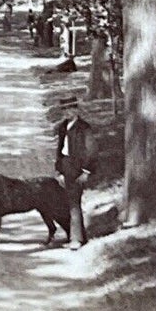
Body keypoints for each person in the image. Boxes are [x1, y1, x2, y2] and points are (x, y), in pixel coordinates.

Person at [54, 93, 97, 249]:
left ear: (76, 110)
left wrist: (86, 171)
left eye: (70, 109)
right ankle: (76, 235)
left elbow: (91, 151)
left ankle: (76, 239)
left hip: (77, 168)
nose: (67, 113)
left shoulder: (84, 128)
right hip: (65, 166)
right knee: (67, 202)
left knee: (74, 202)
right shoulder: (62, 127)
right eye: (64, 110)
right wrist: (59, 170)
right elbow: (59, 150)